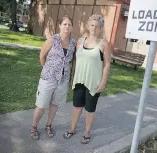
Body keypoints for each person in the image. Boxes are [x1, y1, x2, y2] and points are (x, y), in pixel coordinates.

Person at [63, 14, 111, 144]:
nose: (94, 28)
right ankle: (72, 129)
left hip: (94, 82)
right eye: (92, 25)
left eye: (97, 26)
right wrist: (72, 77)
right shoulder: (80, 41)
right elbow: (75, 60)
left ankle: (87, 132)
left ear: (100, 28)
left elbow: (107, 64)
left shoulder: (104, 44)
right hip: (79, 80)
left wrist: (103, 82)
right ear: (88, 26)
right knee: (77, 107)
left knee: (90, 109)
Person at [30, 15, 76, 140]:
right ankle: (34, 127)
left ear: (72, 27)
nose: (67, 26)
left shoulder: (73, 43)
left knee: (54, 105)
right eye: (65, 24)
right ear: (60, 25)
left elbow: (72, 62)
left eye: (69, 24)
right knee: (41, 105)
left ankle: (49, 125)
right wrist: (48, 70)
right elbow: (42, 56)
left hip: (62, 80)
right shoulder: (51, 40)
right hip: (48, 79)